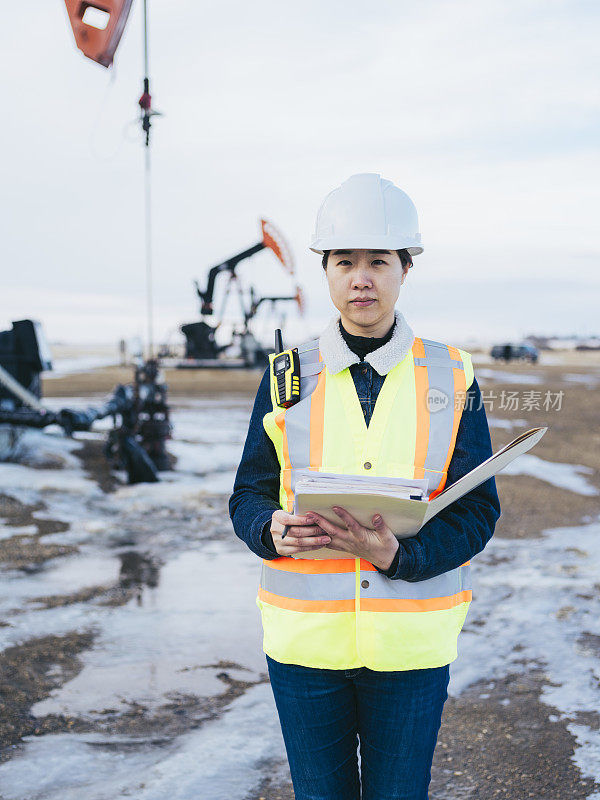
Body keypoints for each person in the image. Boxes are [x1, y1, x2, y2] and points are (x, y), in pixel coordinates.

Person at [229, 173, 501, 800]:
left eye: (379, 261)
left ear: (406, 268)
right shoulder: (286, 374)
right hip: (304, 647)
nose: (361, 278)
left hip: (410, 648)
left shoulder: (453, 374)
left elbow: (478, 509)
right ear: (326, 272)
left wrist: (403, 557)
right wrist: (268, 529)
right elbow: (249, 493)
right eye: (345, 262)